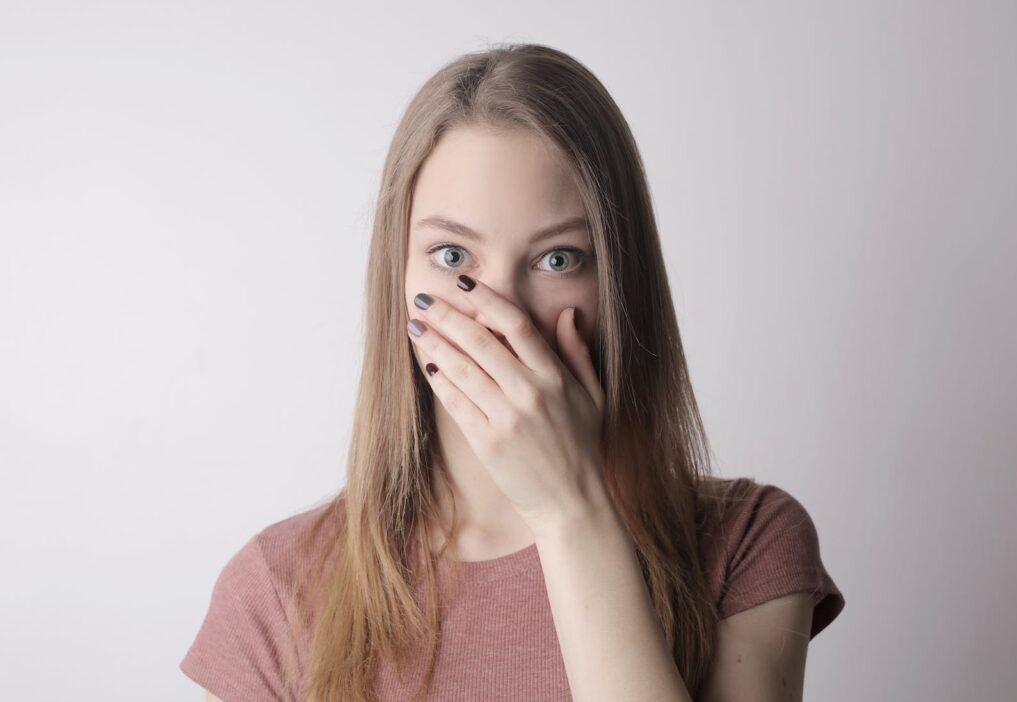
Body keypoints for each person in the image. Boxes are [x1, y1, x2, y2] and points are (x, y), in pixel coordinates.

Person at [180, 42, 845, 702]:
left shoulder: (748, 544)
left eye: (558, 259)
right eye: (451, 255)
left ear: (619, 279)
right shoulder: (278, 591)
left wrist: (569, 512)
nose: (500, 314)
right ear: (396, 275)